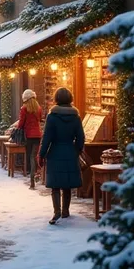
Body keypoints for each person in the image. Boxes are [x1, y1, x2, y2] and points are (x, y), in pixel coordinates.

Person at [38, 87, 85, 224]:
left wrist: (41, 154)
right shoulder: (76, 117)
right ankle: (66, 211)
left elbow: (47, 137)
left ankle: (57, 211)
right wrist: (76, 150)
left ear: (56, 99)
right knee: (67, 183)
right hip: (70, 151)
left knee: (55, 184)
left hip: (55, 151)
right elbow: (81, 138)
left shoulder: (52, 116)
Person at [17, 89, 43, 190]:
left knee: (30, 156)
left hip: (28, 135)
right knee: (34, 155)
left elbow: (21, 122)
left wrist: (18, 129)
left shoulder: (24, 109)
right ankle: (35, 174)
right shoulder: (39, 108)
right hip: (37, 135)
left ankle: (32, 179)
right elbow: (40, 119)